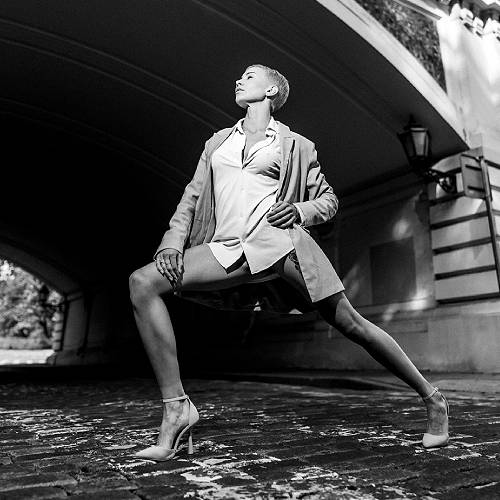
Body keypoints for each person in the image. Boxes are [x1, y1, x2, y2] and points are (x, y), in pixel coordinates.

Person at [129, 64, 449, 461]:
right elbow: (191, 198)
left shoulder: (297, 145)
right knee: (143, 282)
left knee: (351, 324)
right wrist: (171, 243)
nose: (238, 80)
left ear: (270, 91)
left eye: (249, 76)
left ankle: (432, 398)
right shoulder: (217, 142)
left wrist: (299, 210)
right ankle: (176, 408)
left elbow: (328, 201)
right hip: (227, 247)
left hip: (281, 245)